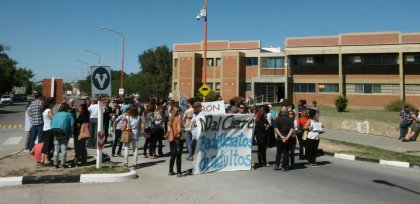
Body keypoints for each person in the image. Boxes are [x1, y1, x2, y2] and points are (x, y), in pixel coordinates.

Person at [50, 103, 75, 168]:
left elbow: (51, 123)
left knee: (56, 149)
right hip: (64, 133)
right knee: (63, 149)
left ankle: (55, 163)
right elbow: (72, 125)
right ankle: (62, 163)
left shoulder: (56, 114)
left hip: (55, 132)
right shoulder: (68, 115)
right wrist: (71, 133)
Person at [273, 107, 294, 171]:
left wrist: (281, 136)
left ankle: (277, 165)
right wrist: (287, 137)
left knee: (279, 152)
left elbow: (275, 128)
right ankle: (284, 166)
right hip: (287, 137)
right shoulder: (290, 119)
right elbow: (292, 129)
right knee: (286, 152)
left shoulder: (277, 119)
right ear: (287, 112)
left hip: (280, 138)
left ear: (281, 112)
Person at [166, 107, 184, 177]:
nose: (179, 113)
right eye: (179, 111)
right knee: (178, 156)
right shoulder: (177, 119)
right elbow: (179, 130)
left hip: (171, 139)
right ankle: (179, 172)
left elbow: (168, 130)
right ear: (176, 112)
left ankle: (170, 171)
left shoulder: (170, 120)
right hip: (177, 139)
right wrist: (179, 133)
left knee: (173, 155)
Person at [41, 97, 55, 165]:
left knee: (45, 144)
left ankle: (42, 159)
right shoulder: (49, 110)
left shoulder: (44, 110)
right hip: (49, 129)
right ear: (51, 103)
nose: (54, 104)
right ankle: (46, 160)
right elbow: (53, 118)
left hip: (45, 129)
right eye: (53, 103)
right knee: (48, 145)